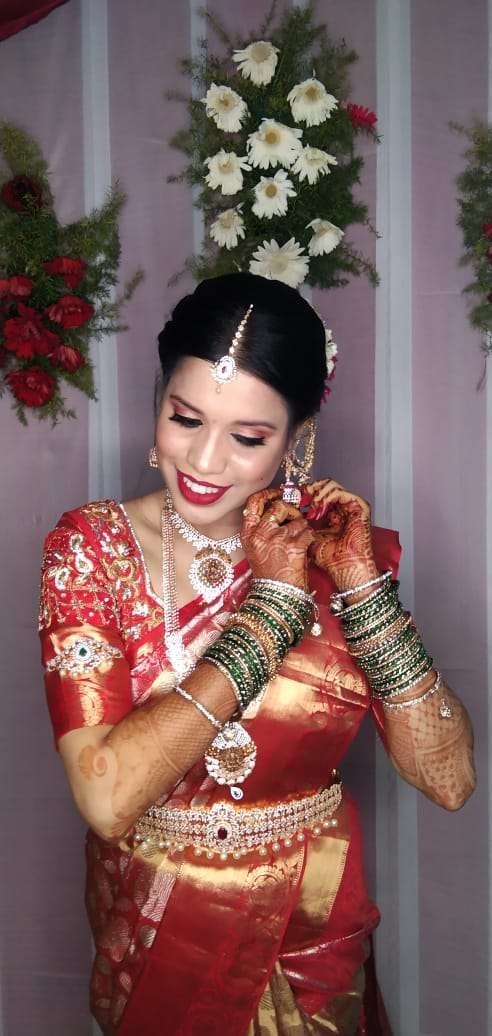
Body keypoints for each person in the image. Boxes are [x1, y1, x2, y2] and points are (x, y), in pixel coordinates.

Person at [39, 272, 476, 1036]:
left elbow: (450, 781)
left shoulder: (339, 554)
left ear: (296, 439)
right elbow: (107, 801)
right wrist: (271, 613)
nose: (206, 461)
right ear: (157, 401)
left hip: (312, 942)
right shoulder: (92, 550)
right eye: (185, 419)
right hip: (156, 936)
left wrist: (362, 589)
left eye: (247, 438)